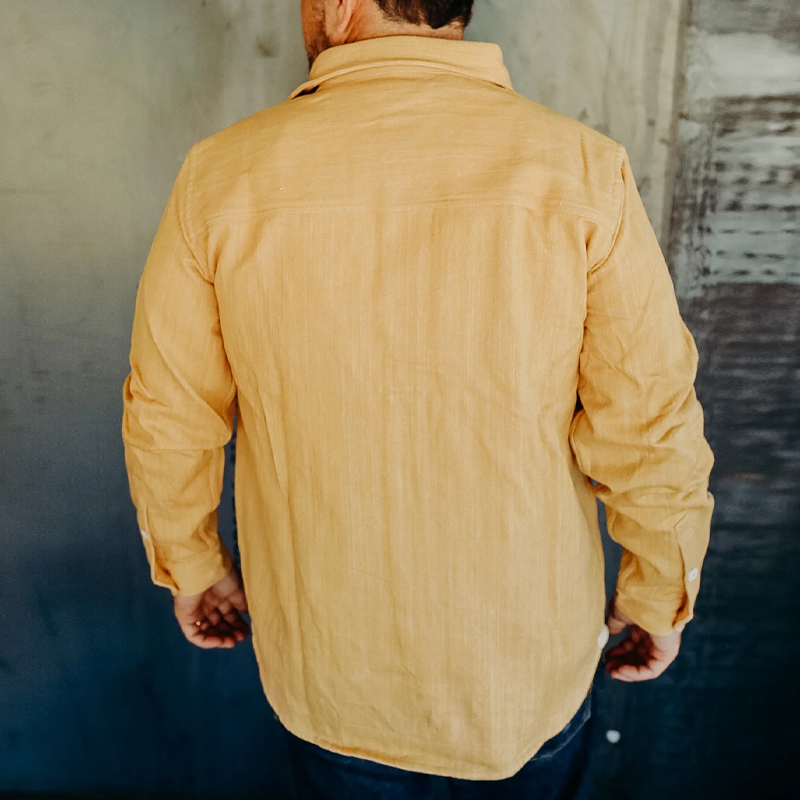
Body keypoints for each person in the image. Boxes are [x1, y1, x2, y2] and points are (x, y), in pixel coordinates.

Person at [121, 0, 715, 797]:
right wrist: (655, 592)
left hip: (330, 674)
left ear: (337, 4)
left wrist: (194, 567)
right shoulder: (579, 169)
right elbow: (647, 413)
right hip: (525, 678)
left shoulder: (222, 175)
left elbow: (170, 413)